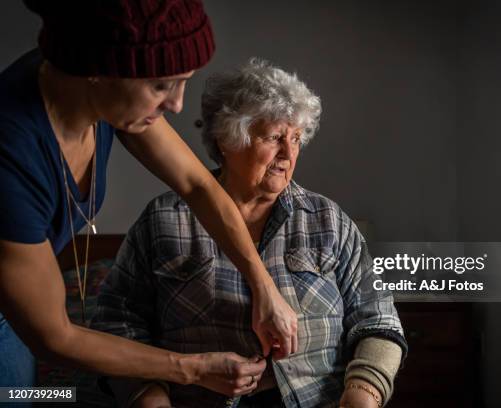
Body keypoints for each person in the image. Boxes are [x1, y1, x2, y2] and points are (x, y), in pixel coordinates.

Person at [0, 0, 297, 396]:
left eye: (183, 80)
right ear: (98, 71)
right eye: (161, 85)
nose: (175, 104)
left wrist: (264, 286)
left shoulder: (97, 90)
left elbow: (197, 186)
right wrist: (191, 370)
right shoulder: (10, 155)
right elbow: (54, 336)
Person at [92, 59, 408, 408]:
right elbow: (115, 322)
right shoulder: (164, 220)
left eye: (297, 139)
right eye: (274, 138)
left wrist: (361, 395)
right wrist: (150, 398)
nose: (288, 154)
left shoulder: (329, 222)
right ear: (228, 138)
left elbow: (379, 323)